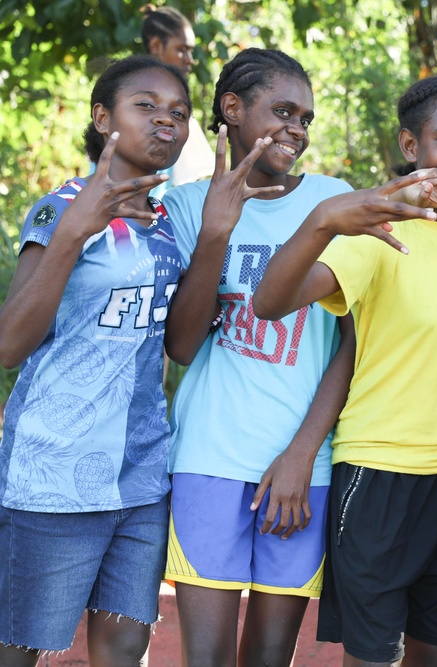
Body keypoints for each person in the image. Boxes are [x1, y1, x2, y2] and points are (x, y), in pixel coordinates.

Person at [251, 76, 437, 667]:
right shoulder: (378, 231)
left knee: (435, 654)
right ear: (411, 146)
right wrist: (324, 219)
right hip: (378, 473)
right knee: (373, 658)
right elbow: (270, 303)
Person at [162, 48, 358, 667]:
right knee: (209, 657)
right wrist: (218, 232)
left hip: (305, 465)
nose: (297, 130)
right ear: (232, 109)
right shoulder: (187, 207)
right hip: (210, 457)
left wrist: (303, 452)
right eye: (282, 112)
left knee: (271, 656)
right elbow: (181, 346)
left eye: (305, 118)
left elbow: (353, 342)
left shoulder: (334, 200)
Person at [0, 55, 190, 665]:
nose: (167, 121)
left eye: (179, 113)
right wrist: (75, 234)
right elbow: (8, 343)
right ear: (102, 117)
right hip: (54, 469)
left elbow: (173, 345)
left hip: (139, 470)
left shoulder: (166, 223)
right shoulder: (60, 207)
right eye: (147, 106)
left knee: (125, 645)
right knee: (21, 644)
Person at [140, 3, 214, 196]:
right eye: (182, 49)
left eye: (191, 51)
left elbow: (188, 179)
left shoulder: (177, 101)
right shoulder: (130, 96)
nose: (190, 59)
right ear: (156, 46)